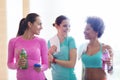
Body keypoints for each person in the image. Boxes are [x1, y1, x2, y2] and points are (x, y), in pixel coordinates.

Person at [7, 13, 48, 80]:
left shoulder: (42, 42)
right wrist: (17, 64)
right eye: (39, 24)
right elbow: (9, 64)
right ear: (30, 24)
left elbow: (46, 64)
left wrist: (41, 68)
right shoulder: (13, 41)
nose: (41, 27)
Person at [48, 15, 77, 80]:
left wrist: (54, 60)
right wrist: (49, 53)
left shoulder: (70, 40)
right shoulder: (50, 42)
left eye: (69, 26)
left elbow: (72, 64)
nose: (68, 28)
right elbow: (48, 66)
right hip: (55, 78)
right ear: (57, 26)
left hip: (69, 78)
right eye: (65, 26)